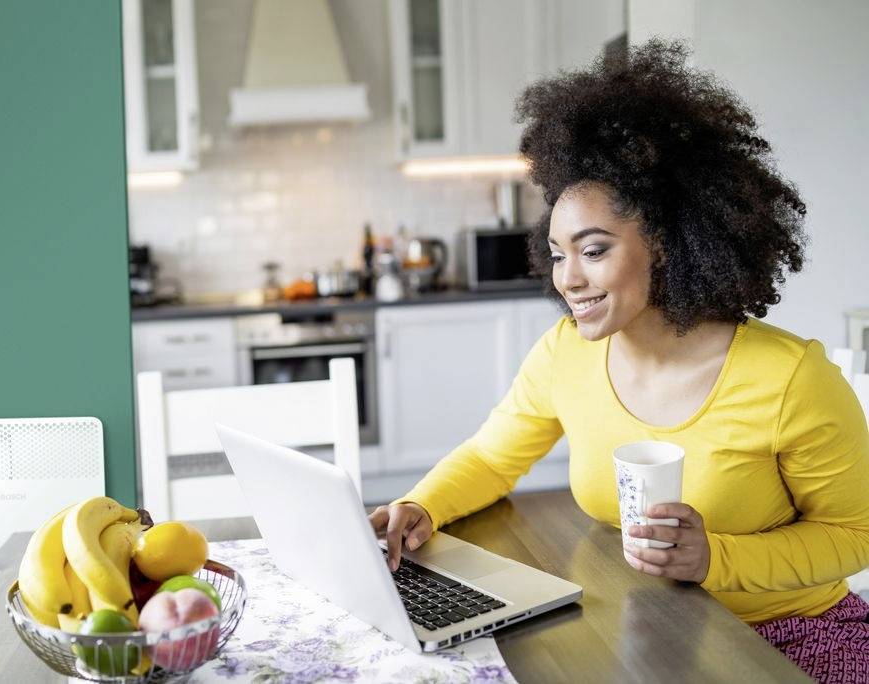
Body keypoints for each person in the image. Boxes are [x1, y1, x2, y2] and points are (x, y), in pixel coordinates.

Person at [368, 40, 869, 682]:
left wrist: (714, 557)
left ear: (665, 242)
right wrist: (422, 505)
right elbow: (493, 456)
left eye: (594, 250)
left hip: (786, 637)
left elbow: (854, 533)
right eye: (556, 253)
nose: (567, 279)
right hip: (648, 623)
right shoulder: (565, 355)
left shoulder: (790, 378)